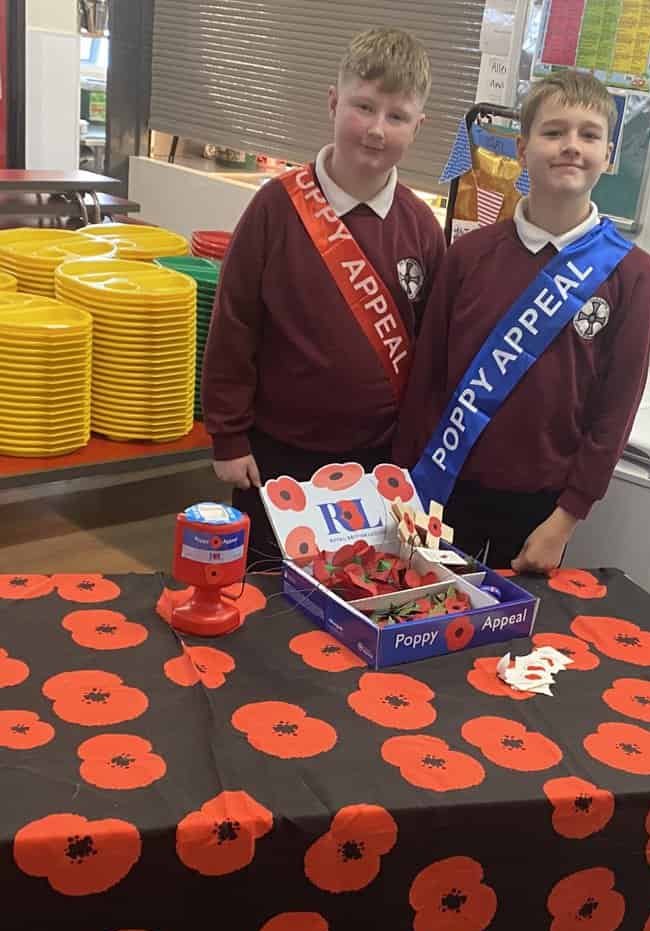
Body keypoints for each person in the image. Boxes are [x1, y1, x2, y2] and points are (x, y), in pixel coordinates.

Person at [393, 70, 650, 573]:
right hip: (444, 489)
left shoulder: (630, 272)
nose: (571, 146)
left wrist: (567, 518)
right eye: (553, 132)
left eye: (589, 135)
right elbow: (427, 380)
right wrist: (407, 487)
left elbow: (616, 408)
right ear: (521, 149)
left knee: (519, 626)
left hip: (543, 509)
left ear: (608, 155)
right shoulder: (468, 255)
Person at [202, 28, 445, 564]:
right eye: (364, 107)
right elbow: (234, 326)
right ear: (334, 102)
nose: (377, 129)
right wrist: (228, 437)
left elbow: (431, 353)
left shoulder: (422, 228)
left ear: (418, 127)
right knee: (266, 587)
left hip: (378, 465)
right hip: (274, 456)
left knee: (360, 587)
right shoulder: (274, 208)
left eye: (397, 116)